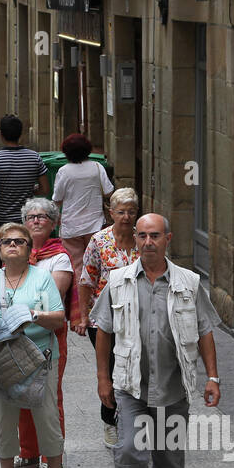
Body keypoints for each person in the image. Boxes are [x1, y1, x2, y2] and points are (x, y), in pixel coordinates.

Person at [89, 213, 221, 468]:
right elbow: (102, 330)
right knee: (131, 452)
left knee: (169, 461)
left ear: (168, 239)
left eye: (155, 236)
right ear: (135, 239)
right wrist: (103, 378)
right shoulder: (118, 281)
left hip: (173, 389)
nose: (149, 242)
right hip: (130, 388)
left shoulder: (189, 283)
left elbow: (205, 330)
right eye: (143, 236)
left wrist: (212, 377)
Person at [0, 222, 70, 468]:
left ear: (29, 248)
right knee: (3, 416)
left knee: (46, 415)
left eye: (19, 241)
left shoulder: (42, 277)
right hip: (4, 357)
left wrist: (32, 314)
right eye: (6, 241)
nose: (12, 245)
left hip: (40, 357)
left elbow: (58, 318)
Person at [14, 199, 76, 468]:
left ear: (53, 223)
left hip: (49, 335)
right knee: (21, 393)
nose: (36, 220)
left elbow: (50, 298)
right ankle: (28, 451)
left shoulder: (59, 257)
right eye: (31, 216)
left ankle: (50, 457)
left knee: (49, 398)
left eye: (42, 217)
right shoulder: (16, 251)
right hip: (18, 335)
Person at [76, 187, 141, 448]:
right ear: (111, 212)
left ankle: (132, 418)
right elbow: (86, 279)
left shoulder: (144, 239)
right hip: (103, 319)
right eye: (121, 211)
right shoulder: (99, 241)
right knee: (111, 369)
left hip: (137, 317)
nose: (126, 217)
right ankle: (110, 422)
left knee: (134, 369)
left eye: (131, 211)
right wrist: (82, 316)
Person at [0, 114, 50, 262]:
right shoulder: (34, 157)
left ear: (1, 134)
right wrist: (31, 191)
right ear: (21, 134)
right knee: (24, 258)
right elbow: (45, 188)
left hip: (1, 220)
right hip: (25, 220)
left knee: (0, 260)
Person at [51, 134, 113, 289]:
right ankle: (95, 299)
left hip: (72, 226)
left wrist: (55, 218)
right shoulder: (97, 168)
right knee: (96, 264)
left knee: (77, 266)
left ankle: (79, 306)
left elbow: (57, 198)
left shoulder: (64, 171)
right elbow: (108, 191)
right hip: (95, 224)